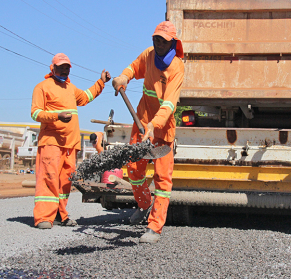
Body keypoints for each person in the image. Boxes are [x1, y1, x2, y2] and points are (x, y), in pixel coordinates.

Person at [111, 21, 184, 244]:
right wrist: (124, 76)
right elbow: (134, 68)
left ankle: (154, 227)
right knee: (133, 169)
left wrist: (154, 125)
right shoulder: (149, 55)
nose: (157, 43)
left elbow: (169, 105)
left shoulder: (177, 67)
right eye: (155, 39)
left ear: (172, 42)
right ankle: (144, 205)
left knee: (162, 178)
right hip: (141, 123)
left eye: (162, 40)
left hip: (162, 130)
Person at [31, 53, 111, 229]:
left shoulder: (70, 88)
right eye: (61, 67)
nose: (64, 70)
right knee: (48, 178)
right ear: (52, 68)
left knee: (65, 181)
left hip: (70, 144)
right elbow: (35, 113)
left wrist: (101, 82)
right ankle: (44, 217)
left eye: (67, 67)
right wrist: (56, 116)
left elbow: (86, 97)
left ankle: (61, 215)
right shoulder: (42, 87)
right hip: (51, 142)